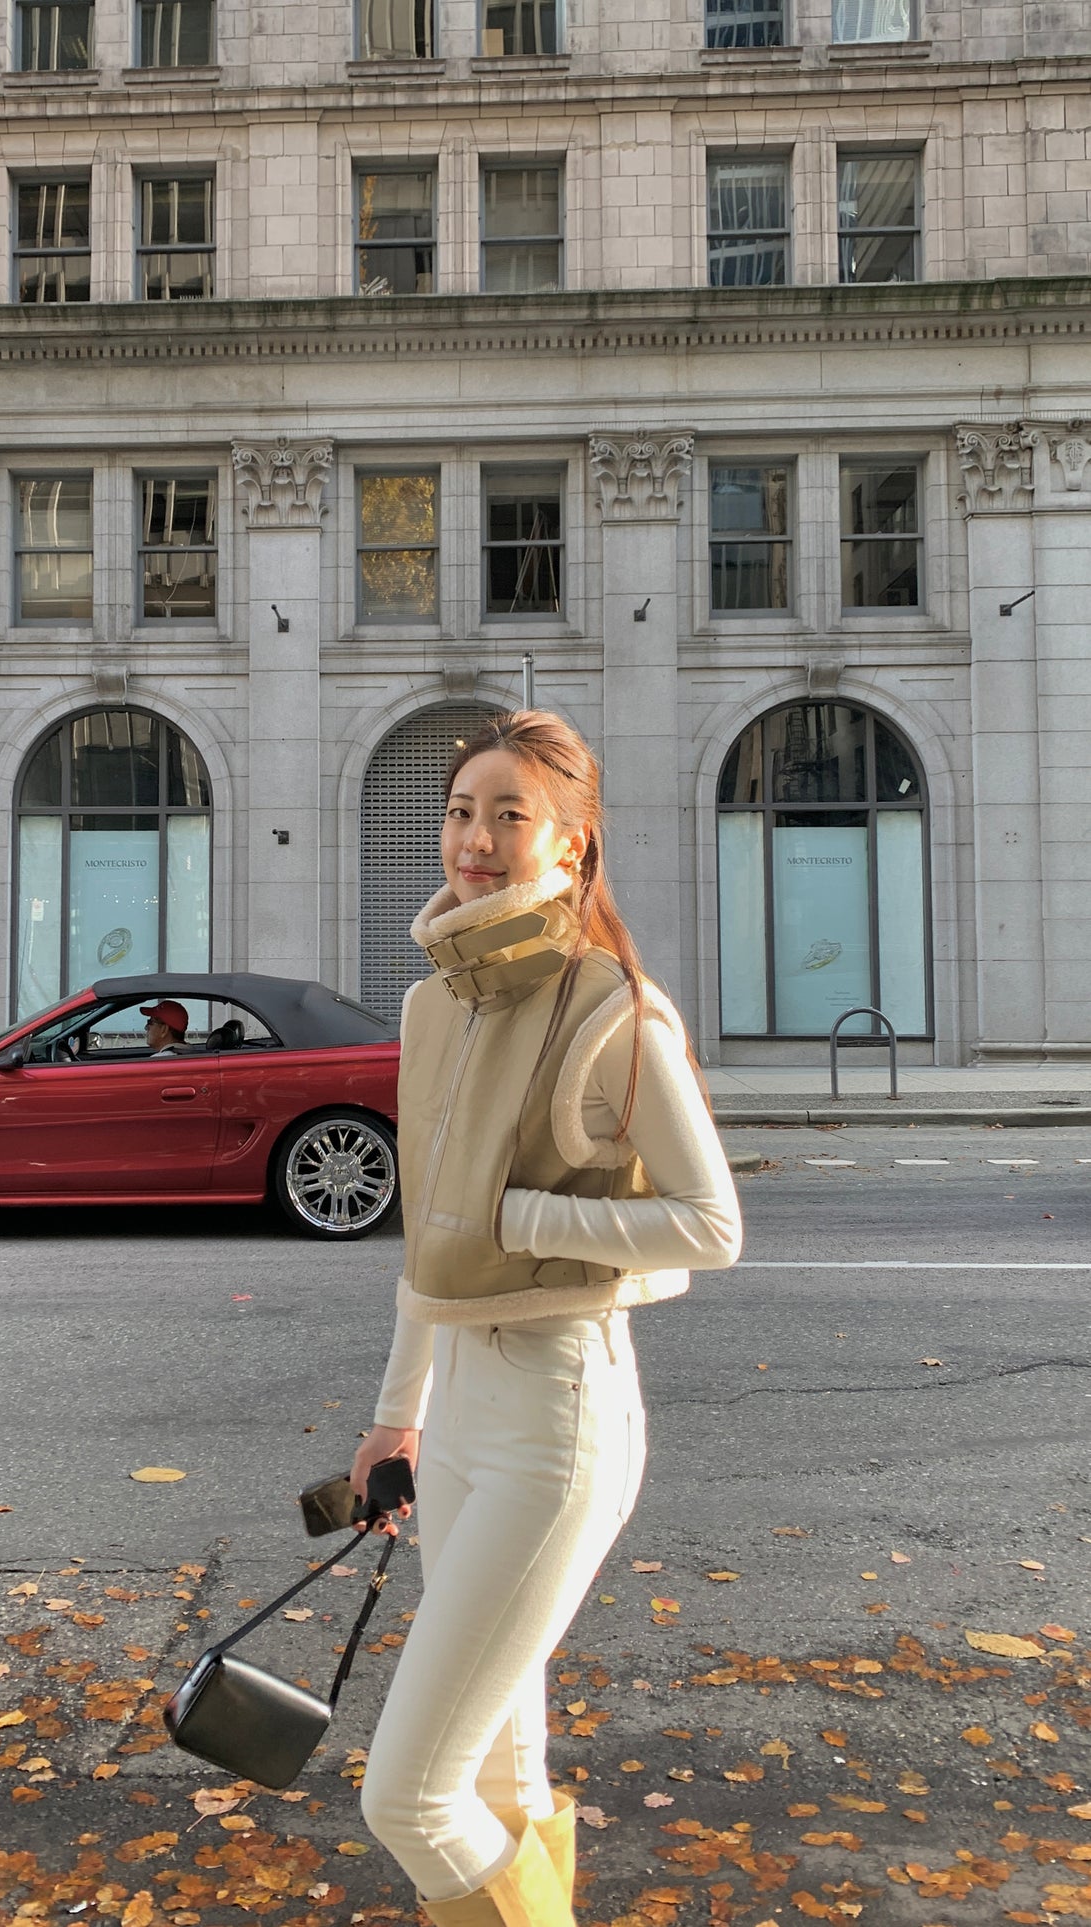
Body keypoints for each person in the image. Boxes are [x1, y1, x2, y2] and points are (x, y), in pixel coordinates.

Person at [352, 710, 742, 1927]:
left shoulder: (608, 1006)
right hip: (460, 1415)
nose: (473, 836)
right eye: (461, 810)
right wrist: (393, 1419)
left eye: (508, 815)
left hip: (556, 1417)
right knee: (491, 1770)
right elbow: (429, 1242)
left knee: (406, 1797)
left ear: (570, 849)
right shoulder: (433, 1007)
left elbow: (708, 1223)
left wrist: (521, 1215)